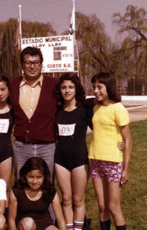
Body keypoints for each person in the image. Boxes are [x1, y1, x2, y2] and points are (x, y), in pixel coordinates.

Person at [0, 47, 58, 180]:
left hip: (46, 147)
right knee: (21, 185)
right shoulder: (12, 85)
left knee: (46, 185)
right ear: (22, 65)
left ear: (41, 64)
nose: (32, 66)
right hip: (21, 147)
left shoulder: (54, 85)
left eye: (36, 62)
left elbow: (70, 101)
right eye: (28, 62)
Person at [89, 72, 132, 230]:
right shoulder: (96, 108)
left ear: (109, 87)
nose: (95, 90)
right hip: (95, 161)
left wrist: (125, 170)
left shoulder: (118, 109)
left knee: (114, 208)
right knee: (102, 207)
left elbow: (127, 140)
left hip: (113, 163)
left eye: (99, 87)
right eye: (94, 87)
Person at [53, 72, 93, 230]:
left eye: (71, 87)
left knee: (78, 200)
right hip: (60, 160)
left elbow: (100, 129)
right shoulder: (57, 110)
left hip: (79, 161)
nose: (67, 90)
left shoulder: (85, 110)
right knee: (67, 199)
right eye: (63, 87)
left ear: (76, 89)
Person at [8, 157, 66, 230]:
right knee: (28, 223)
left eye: (39, 177)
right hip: (26, 226)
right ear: (25, 175)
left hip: (45, 225)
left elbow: (61, 221)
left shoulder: (49, 191)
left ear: (44, 177)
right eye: (31, 177)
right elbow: (11, 220)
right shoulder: (17, 191)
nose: (35, 181)